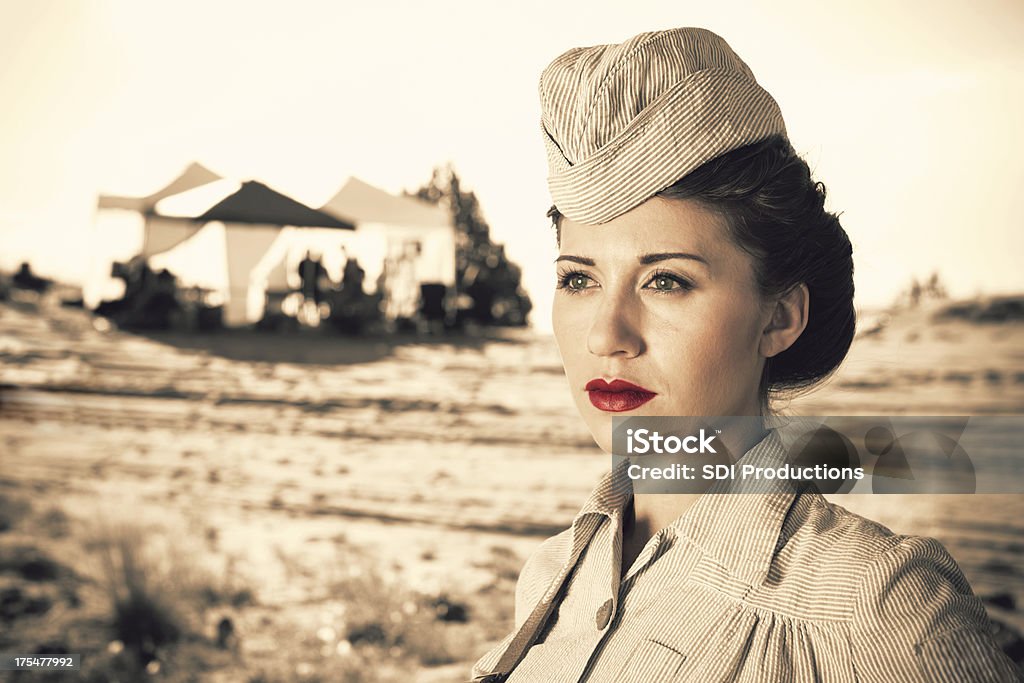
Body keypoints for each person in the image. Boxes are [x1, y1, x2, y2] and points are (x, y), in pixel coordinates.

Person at [469, 28, 1020, 682]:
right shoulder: (551, 574)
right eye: (578, 279)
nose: (605, 335)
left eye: (666, 280)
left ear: (780, 315)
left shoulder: (880, 608)